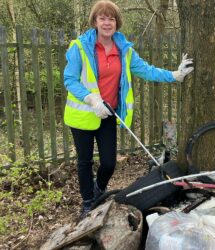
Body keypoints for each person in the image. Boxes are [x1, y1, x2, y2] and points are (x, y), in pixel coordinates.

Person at [63, 0, 194, 219]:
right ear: (95, 21)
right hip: (82, 115)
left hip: (107, 114)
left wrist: (174, 75)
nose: (107, 22)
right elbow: (69, 79)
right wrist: (91, 99)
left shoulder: (124, 51)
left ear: (117, 23)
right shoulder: (79, 47)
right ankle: (87, 203)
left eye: (111, 18)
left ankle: (98, 191)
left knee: (108, 162)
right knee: (84, 162)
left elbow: (146, 70)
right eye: (102, 18)